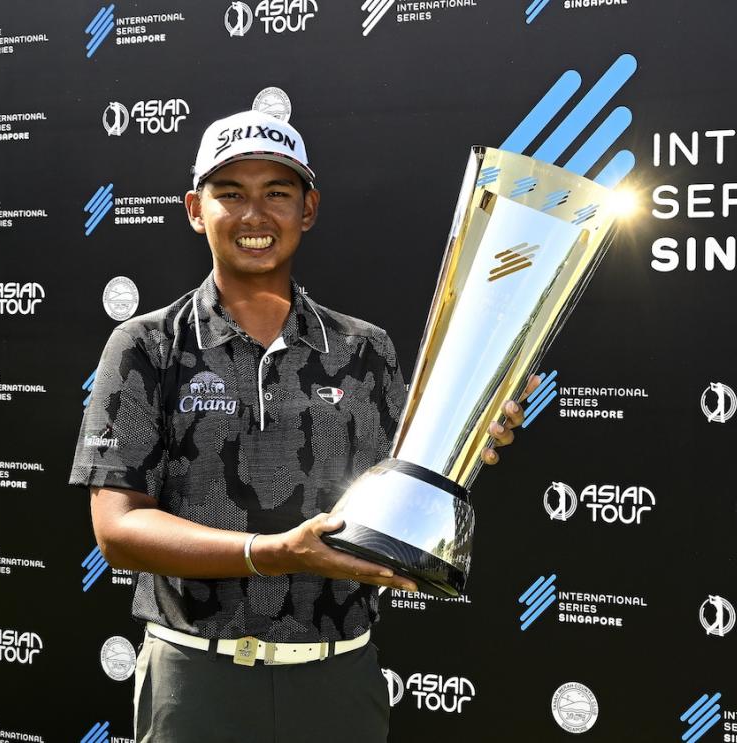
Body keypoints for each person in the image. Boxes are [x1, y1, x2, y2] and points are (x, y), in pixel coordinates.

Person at [70, 109, 533, 742]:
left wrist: (467, 435)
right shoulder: (146, 345)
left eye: (277, 194)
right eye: (229, 193)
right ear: (193, 209)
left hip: (338, 681)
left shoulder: (365, 349)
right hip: (197, 681)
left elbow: (403, 495)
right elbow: (118, 529)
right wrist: (272, 554)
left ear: (308, 209)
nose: (254, 216)